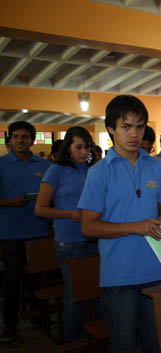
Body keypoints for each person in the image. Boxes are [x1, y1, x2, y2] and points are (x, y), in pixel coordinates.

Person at [78, 95, 161, 353]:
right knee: (124, 344)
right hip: (119, 274)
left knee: (156, 342)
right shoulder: (99, 172)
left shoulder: (157, 166)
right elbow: (88, 227)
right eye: (126, 126)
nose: (134, 133)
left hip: (158, 269)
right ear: (111, 128)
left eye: (140, 126)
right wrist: (136, 226)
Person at [34, 126, 98, 342]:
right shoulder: (56, 170)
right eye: (78, 147)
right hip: (70, 240)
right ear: (68, 148)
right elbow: (40, 208)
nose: (83, 152)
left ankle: (95, 336)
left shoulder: (91, 170)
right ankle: (75, 341)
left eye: (87, 147)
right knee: (75, 295)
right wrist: (70, 214)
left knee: (97, 291)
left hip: (94, 237)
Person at [0, 121, 50, 343]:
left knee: (38, 282)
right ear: (9, 140)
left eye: (25, 136)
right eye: (16, 136)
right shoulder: (1, 165)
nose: (21, 140)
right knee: (11, 282)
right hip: (10, 234)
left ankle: (40, 323)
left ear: (32, 139)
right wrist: (11, 202)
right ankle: (10, 327)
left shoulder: (44, 165)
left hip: (38, 231)